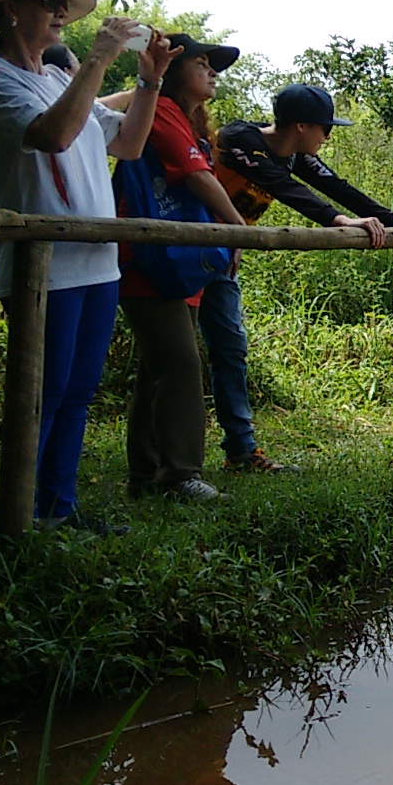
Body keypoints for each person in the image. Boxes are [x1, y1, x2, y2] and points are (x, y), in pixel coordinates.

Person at [0, 0, 175, 535]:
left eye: (62, 4)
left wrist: (150, 79)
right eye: (47, 3)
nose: (60, 13)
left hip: (97, 262)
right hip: (42, 268)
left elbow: (127, 145)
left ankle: (58, 509)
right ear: (10, 12)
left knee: (77, 392)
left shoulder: (58, 80)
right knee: (42, 396)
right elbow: (52, 136)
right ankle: (20, 519)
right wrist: (101, 58)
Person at [209, 84, 393, 471]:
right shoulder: (239, 140)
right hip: (180, 247)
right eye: (323, 128)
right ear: (299, 126)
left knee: (230, 348)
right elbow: (287, 189)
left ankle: (241, 452)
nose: (327, 137)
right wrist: (339, 221)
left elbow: (337, 187)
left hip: (221, 257)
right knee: (180, 357)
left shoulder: (295, 155)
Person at [117, 34, 245, 503]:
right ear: (172, 69)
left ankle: (145, 475)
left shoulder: (190, 122)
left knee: (157, 368)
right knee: (180, 364)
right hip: (152, 260)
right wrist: (238, 231)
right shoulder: (165, 111)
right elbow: (196, 177)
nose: (212, 71)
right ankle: (179, 475)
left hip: (177, 261)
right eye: (202, 63)